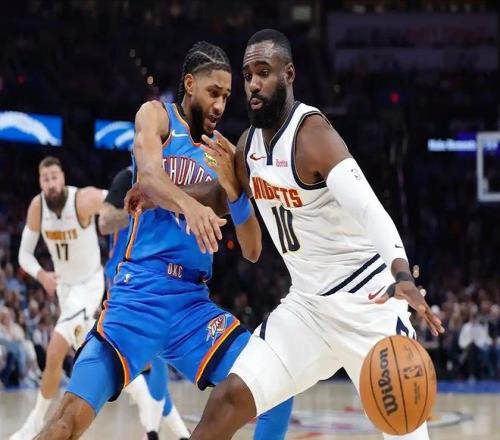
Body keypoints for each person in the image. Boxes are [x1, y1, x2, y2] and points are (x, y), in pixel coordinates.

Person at [190, 29, 445, 440]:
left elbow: (369, 208)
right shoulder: (248, 146)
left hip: (368, 303)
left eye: (264, 72)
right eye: (248, 75)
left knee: (406, 428)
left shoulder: (312, 136)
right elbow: (222, 196)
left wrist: (402, 274)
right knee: (228, 400)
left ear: (288, 75)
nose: (253, 84)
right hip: (307, 308)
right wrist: (161, 194)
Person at [34, 41, 292, 440]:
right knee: (66, 423)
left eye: (226, 96)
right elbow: (149, 178)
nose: (220, 104)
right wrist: (191, 207)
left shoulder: (222, 154)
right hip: (139, 295)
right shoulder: (156, 116)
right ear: (189, 84)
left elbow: (253, 249)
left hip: (191, 305)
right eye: (213, 92)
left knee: (276, 387)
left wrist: (236, 192)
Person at [12, 156, 106, 439]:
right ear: (40, 182)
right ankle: (148, 406)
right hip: (65, 290)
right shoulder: (37, 207)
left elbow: (120, 202)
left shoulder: (83, 199)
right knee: (95, 351)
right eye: (46, 179)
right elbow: (24, 254)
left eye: (54, 177)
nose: (51, 183)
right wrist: (42, 275)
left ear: (63, 177)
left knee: (54, 351)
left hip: (89, 286)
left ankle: (34, 422)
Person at [99, 166, 190, 440]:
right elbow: (104, 223)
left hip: (160, 272)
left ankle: (166, 433)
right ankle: (154, 431)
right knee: (143, 358)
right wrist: (140, 208)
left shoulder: (174, 177)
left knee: (154, 356)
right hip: (125, 276)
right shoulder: (127, 177)